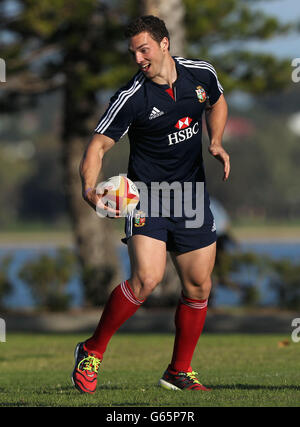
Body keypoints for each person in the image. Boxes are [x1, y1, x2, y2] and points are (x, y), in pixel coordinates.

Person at [72, 15, 230, 394]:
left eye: (144, 49)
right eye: (133, 53)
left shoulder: (200, 74)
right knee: (147, 279)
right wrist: (88, 187)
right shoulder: (132, 97)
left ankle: (179, 371)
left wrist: (216, 141)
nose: (139, 58)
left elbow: (219, 102)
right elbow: (97, 145)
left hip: (191, 195)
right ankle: (91, 350)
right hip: (147, 196)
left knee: (198, 287)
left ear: (164, 44)